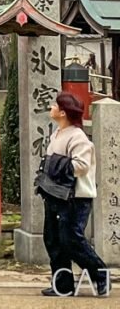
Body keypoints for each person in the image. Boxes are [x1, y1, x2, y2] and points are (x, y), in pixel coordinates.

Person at [39, 92, 110, 297]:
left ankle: (100, 275)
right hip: (55, 194)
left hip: (75, 198)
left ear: (63, 112)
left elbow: (81, 166)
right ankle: (63, 285)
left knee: (71, 239)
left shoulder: (77, 137)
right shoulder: (57, 134)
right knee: (53, 239)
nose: (51, 107)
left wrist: (54, 164)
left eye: (55, 105)